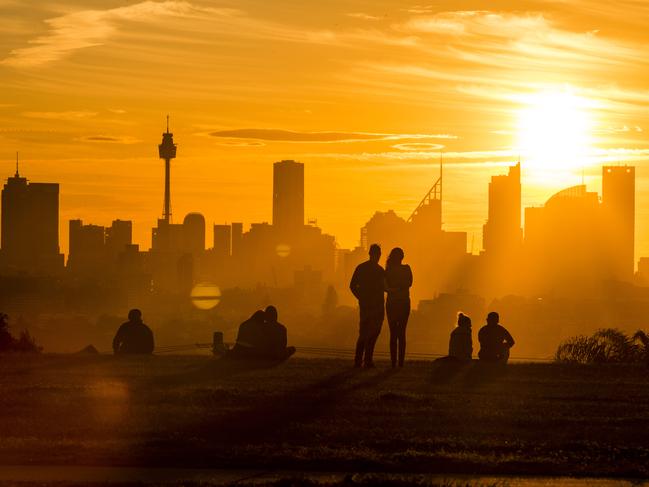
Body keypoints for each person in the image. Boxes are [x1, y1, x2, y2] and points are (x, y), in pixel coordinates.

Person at [350, 243, 385, 368]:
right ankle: (365, 360)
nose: (378, 256)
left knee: (366, 333)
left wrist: (361, 298)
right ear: (372, 254)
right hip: (375, 306)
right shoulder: (379, 270)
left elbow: (353, 286)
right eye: (377, 254)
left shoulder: (362, 268)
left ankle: (361, 360)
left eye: (379, 254)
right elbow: (353, 286)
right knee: (370, 333)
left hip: (370, 306)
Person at [385, 247, 413, 367]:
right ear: (402, 257)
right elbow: (409, 283)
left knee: (393, 334)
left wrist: (394, 288)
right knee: (402, 333)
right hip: (404, 303)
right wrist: (401, 286)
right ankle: (400, 362)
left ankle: (393, 363)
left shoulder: (388, 270)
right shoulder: (407, 269)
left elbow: (386, 285)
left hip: (392, 303)